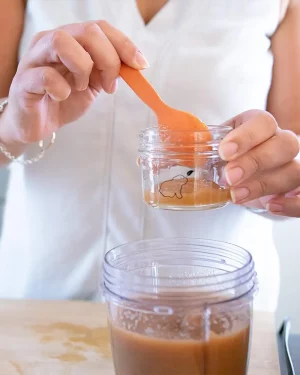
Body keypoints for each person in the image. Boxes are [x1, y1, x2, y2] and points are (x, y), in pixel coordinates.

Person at [0, 0, 299, 311]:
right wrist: (12, 127)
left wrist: (270, 178)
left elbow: (293, 146)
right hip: (44, 302)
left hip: (216, 305)